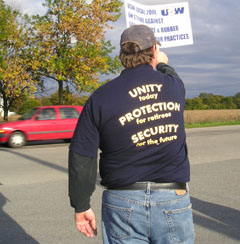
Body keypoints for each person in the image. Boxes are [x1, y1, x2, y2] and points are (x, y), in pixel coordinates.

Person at [68, 24, 195, 244]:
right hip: (172, 197)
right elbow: (173, 75)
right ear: (153, 51)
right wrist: (163, 64)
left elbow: (82, 155)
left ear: (121, 55)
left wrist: (81, 205)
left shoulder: (101, 97)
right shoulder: (174, 87)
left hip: (122, 200)